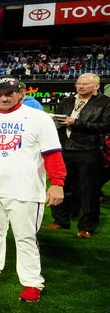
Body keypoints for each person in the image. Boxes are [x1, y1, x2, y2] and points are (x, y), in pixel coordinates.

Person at [0, 78, 66, 302]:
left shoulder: (39, 118)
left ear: (20, 94)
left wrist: (58, 183)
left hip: (26, 188)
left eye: (9, 93)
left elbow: (52, 152)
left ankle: (32, 282)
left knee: (25, 237)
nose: (4, 98)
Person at [46, 72, 110, 238]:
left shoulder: (105, 103)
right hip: (64, 149)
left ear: (96, 86)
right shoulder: (67, 101)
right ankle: (60, 220)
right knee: (61, 186)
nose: (80, 86)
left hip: (89, 151)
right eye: (78, 83)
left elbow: (106, 126)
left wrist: (77, 123)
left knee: (89, 191)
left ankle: (87, 227)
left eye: (85, 84)